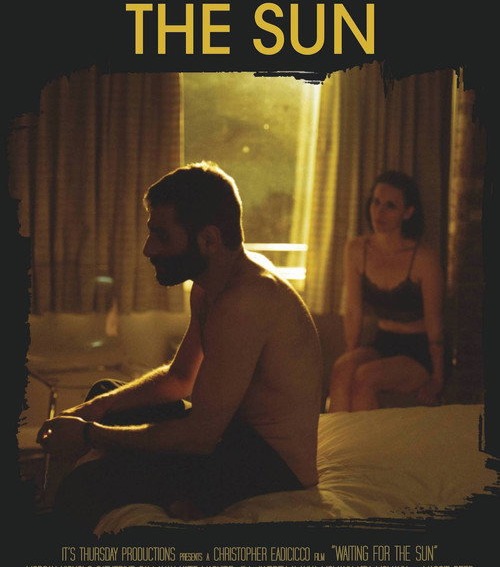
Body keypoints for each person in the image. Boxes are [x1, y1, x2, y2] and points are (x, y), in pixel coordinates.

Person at [37, 161, 323, 532]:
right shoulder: (208, 285)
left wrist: (89, 434)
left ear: (208, 240)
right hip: (226, 436)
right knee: (104, 394)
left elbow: (199, 437)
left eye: (161, 236)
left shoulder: (246, 300)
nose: (147, 249)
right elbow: (179, 379)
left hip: (271, 465)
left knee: (86, 483)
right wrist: (93, 411)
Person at [327, 170, 444, 413]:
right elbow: (353, 310)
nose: (379, 212)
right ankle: (338, 438)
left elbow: (435, 322)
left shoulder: (424, 258)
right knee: (342, 369)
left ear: (407, 212)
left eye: (390, 206)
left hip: (418, 349)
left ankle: (365, 440)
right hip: (383, 341)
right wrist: (352, 354)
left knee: (366, 377)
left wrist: (438, 379)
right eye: (376, 202)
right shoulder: (357, 249)